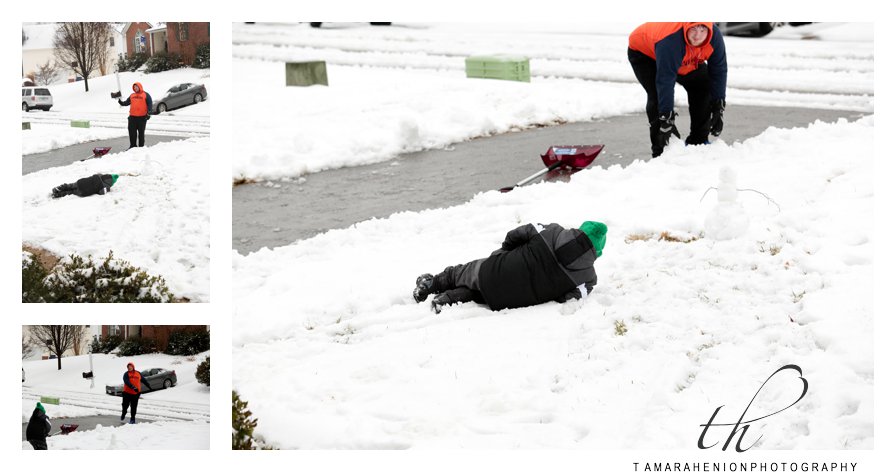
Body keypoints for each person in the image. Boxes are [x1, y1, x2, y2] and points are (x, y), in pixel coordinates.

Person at [413, 221, 607, 313]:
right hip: (512, 300)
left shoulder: (551, 231)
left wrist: (503, 254)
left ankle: (431, 285)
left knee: (461, 273)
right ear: (597, 253)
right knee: (483, 294)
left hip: (493, 270)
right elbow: (566, 297)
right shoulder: (588, 279)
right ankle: (447, 299)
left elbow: (515, 234)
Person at [628, 22, 727, 157]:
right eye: (693, 29)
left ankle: (698, 141)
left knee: (703, 84)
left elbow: (719, 70)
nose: (697, 35)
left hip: (684, 54)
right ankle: (663, 152)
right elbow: (665, 81)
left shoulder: (715, 37)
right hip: (645, 54)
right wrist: (666, 118)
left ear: (709, 29)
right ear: (687, 26)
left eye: (702, 29)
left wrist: (718, 105)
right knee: (658, 96)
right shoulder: (671, 41)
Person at [117, 82, 152, 149]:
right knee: (132, 133)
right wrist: (120, 102)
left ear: (140, 87)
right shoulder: (132, 95)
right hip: (132, 118)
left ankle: (141, 147)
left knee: (141, 133)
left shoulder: (146, 95)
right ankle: (132, 146)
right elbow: (126, 103)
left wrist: (148, 113)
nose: (135, 88)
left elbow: (150, 104)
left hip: (142, 118)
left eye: (136, 86)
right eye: (134, 87)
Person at [51, 174, 118, 198]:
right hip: (83, 191)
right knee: (71, 192)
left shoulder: (98, 175)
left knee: (70, 186)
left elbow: (96, 175)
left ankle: (59, 188)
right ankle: (58, 195)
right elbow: (101, 193)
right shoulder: (105, 187)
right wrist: (108, 189)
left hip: (80, 182)